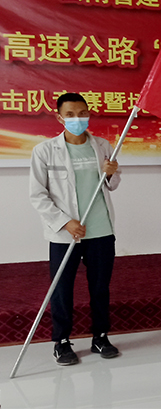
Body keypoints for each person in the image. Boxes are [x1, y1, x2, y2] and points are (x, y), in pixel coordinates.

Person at [29, 93, 121, 365]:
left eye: (82, 113)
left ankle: (100, 336)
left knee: (100, 287)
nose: (77, 119)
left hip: (100, 229)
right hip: (65, 233)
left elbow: (113, 185)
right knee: (62, 289)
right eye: (70, 114)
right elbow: (38, 195)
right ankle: (62, 341)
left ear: (89, 114)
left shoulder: (103, 146)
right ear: (59, 117)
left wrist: (110, 172)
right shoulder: (45, 151)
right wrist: (64, 222)